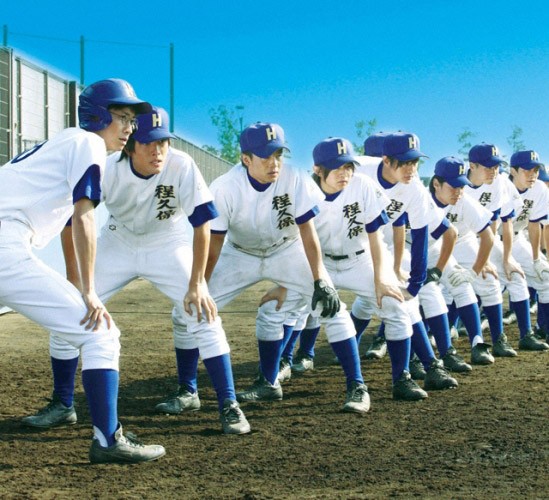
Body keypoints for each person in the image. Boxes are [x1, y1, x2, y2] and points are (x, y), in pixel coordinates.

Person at [22, 106, 250, 435]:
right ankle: (62, 403)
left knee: (203, 312)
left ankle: (228, 403)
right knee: (71, 310)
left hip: (167, 242)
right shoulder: (106, 166)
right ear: (130, 146)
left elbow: (203, 223)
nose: (158, 151)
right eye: (148, 143)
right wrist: (75, 279)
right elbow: (71, 220)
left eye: (163, 142)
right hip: (119, 241)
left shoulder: (181, 165)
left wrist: (197, 282)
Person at [0, 78, 165, 464]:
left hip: (8, 241)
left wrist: (77, 281)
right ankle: (109, 441)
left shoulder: (68, 142)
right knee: (101, 334)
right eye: (121, 116)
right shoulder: (88, 143)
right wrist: (90, 292)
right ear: (97, 115)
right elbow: (84, 215)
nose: (129, 127)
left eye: (131, 119)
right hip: (4, 246)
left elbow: (68, 224)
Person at [260, 136, 458, 400]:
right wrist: (285, 281)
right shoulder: (313, 186)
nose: (345, 172)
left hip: (361, 256)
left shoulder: (375, 185)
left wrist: (392, 277)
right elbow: (295, 237)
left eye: (414, 162)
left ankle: (404, 377)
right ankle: (276, 370)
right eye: (405, 162)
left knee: (398, 306)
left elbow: (398, 231)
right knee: (286, 307)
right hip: (321, 260)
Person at [203, 122, 370, 414]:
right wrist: (200, 285)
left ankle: (357, 386)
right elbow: (214, 243)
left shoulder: (293, 178)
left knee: (331, 307)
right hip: (240, 253)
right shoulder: (225, 187)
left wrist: (320, 279)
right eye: (266, 156)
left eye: (278, 154)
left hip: (286, 250)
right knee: (190, 310)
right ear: (245, 159)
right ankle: (193, 389)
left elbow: (308, 231)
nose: (274, 162)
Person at [465, 143, 537, 353]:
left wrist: (506, 259)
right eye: (487, 166)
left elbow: (496, 222)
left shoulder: (497, 183)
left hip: (487, 238)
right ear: (472, 165)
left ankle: (522, 336)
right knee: (459, 289)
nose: (493, 171)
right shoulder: (457, 183)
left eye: (496, 166)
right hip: (458, 240)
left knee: (516, 276)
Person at [506, 150, 549, 350]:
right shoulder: (501, 188)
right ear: (513, 171)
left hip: (516, 238)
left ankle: (544, 329)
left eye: (535, 169)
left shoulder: (540, 188)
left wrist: (536, 258)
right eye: (526, 170)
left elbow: (534, 224)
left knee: (545, 277)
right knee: (514, 280)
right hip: (485, 240)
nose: (532, 174)